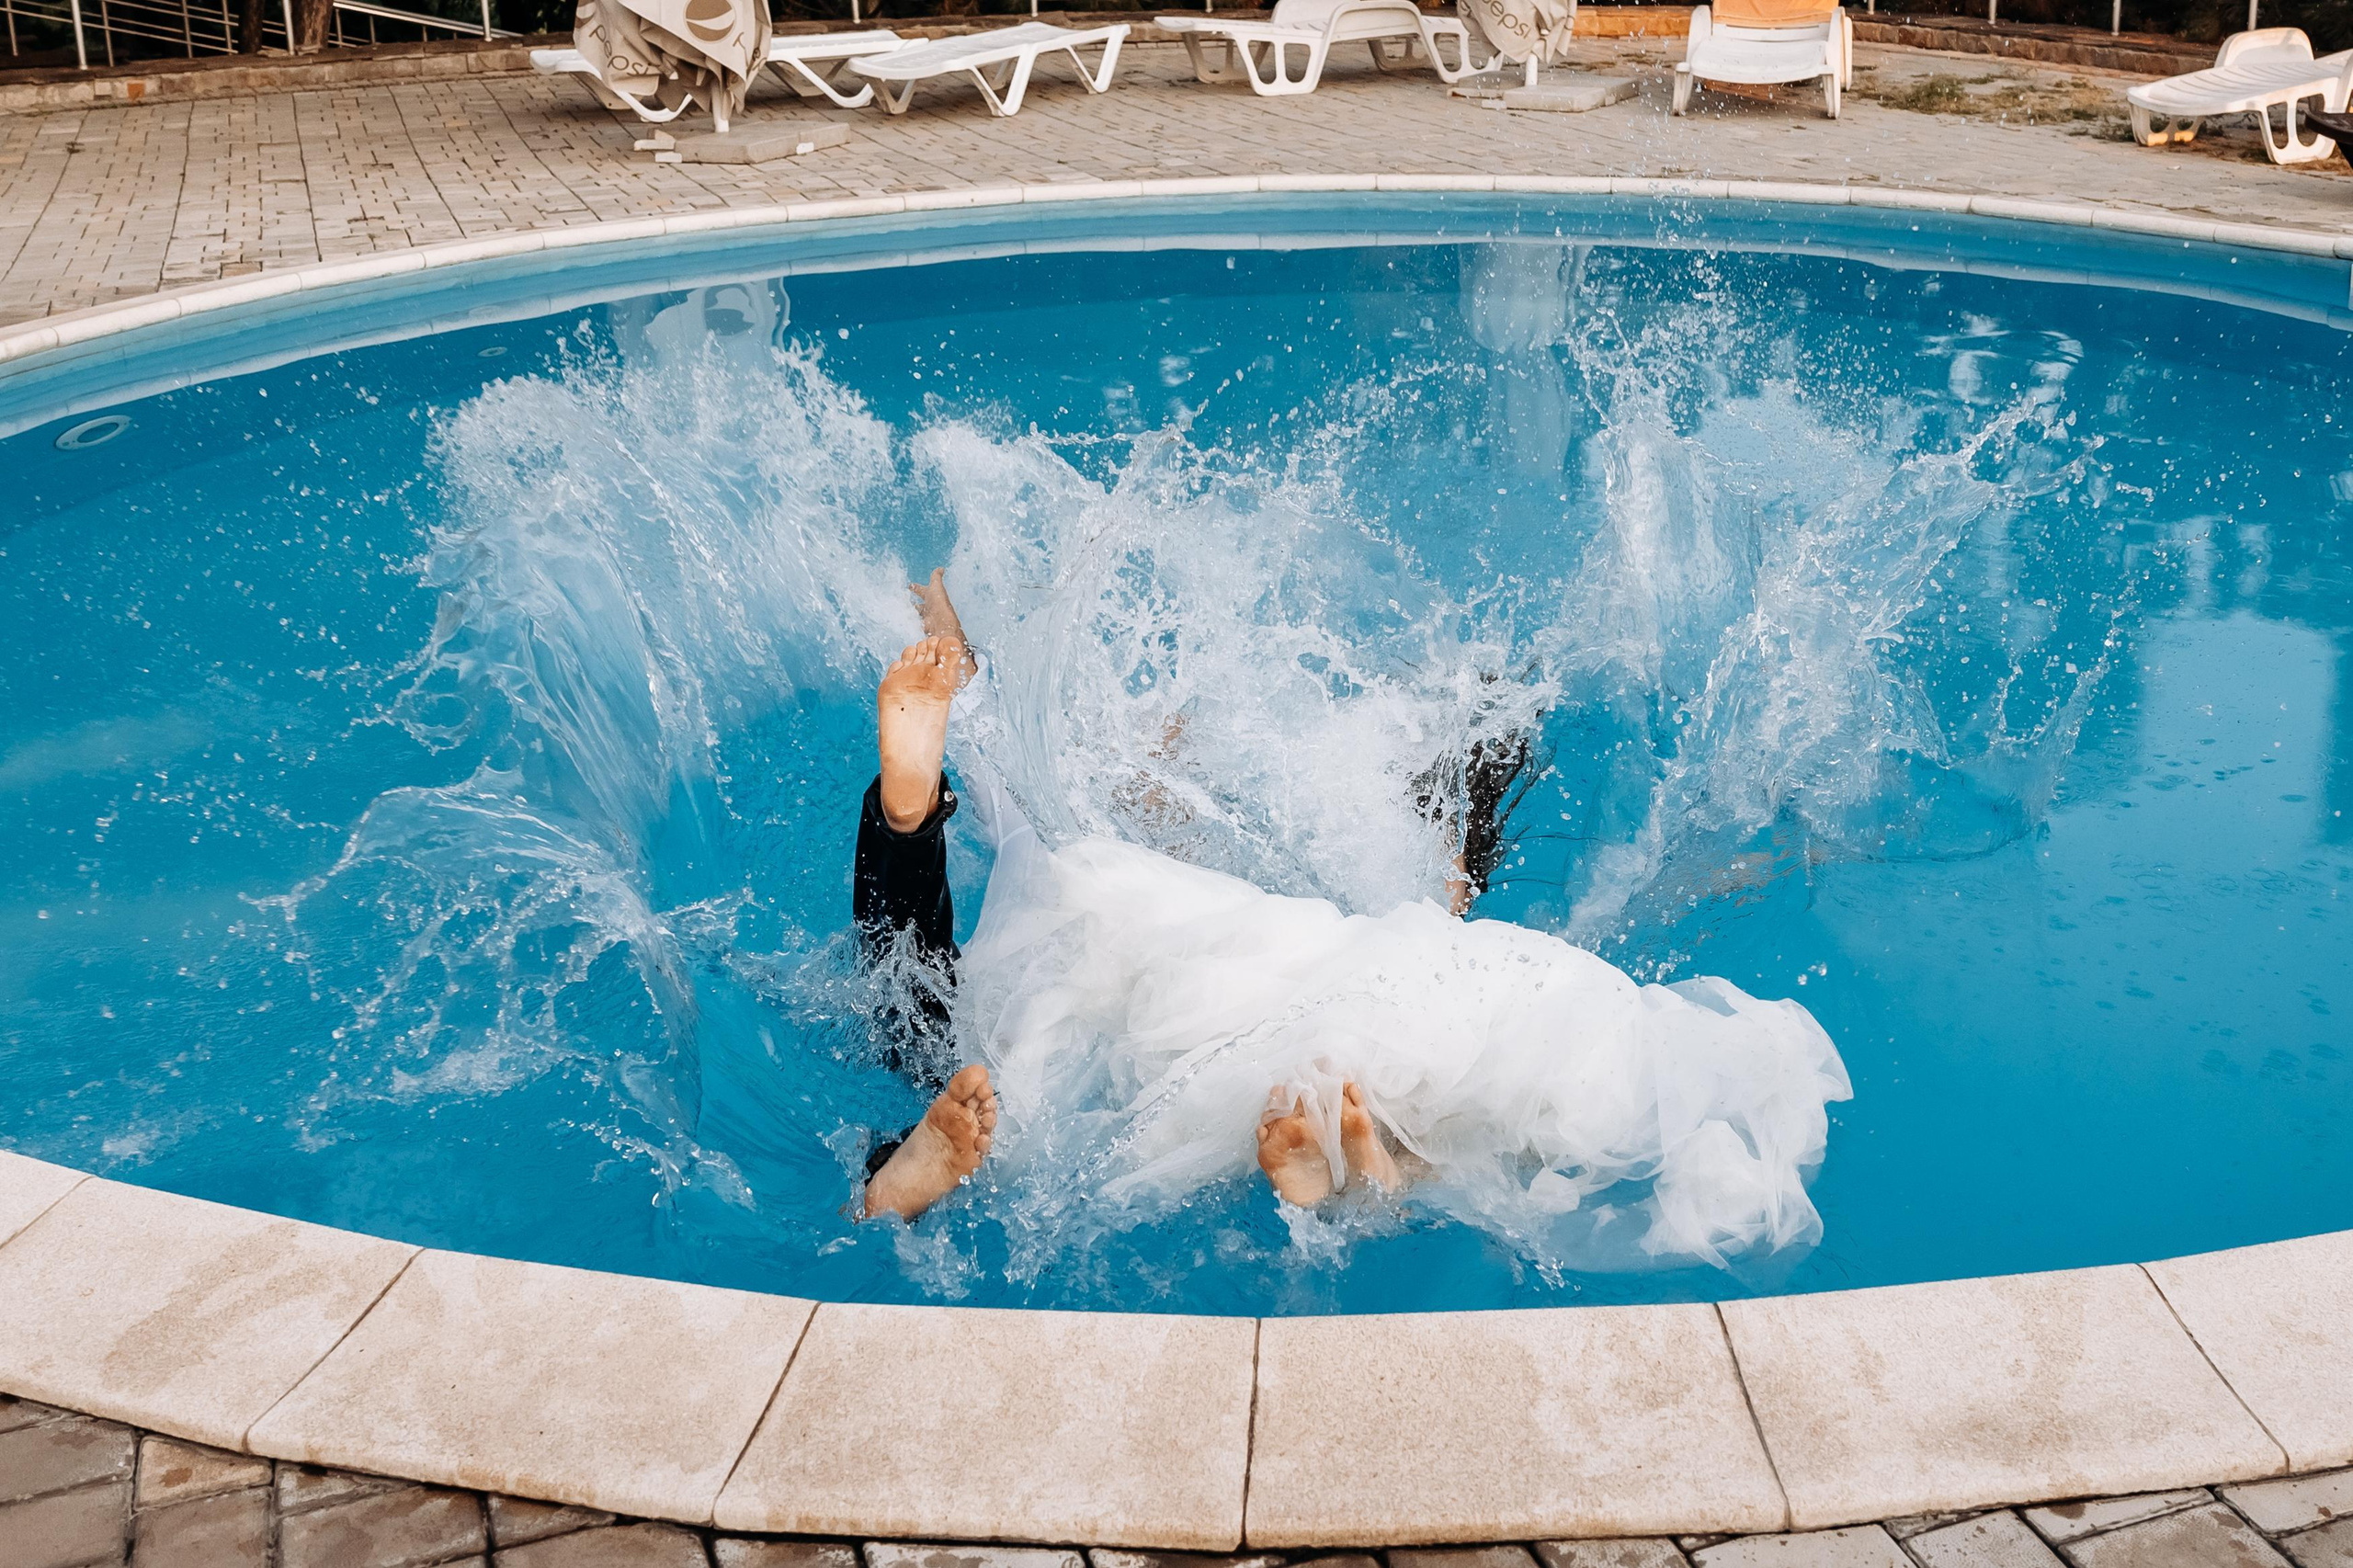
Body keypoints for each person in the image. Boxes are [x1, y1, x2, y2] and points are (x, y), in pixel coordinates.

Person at [855, 572, 1850, 1269]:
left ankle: (904, 824)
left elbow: (1002, 768)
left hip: (1101, 954)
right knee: (1413, 1055)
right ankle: (1362, 1176)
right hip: (1236, 1014)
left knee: (922, 999)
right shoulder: (1391, 903)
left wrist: (938, 620)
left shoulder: (1136, 831)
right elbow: (1441, 907)